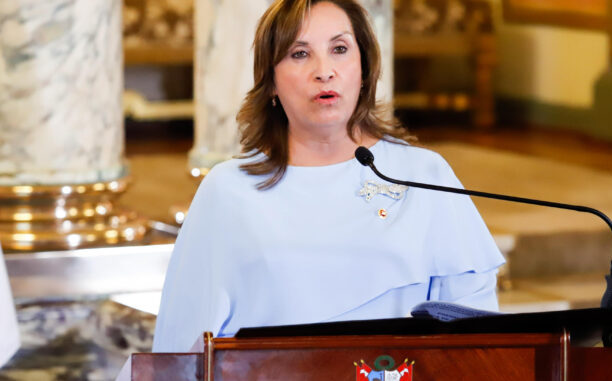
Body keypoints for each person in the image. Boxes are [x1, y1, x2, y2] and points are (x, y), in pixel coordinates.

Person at [152, 0, 504, 352]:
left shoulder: (424, 174)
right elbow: (182, 348)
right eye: (299, 53)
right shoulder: (229, 190)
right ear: (270, 81)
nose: (324, 71)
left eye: (339, 49)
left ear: (364, 69)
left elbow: (476, 339)